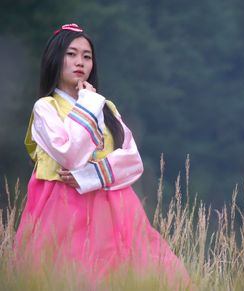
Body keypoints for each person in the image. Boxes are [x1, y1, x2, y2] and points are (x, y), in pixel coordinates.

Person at [15, 23, 190, 289]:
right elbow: (70, 155)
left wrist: (91, 175)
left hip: (115, 206)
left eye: (87, 56)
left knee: (139, 274)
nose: (80, 62)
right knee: (68, 276)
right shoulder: (46, 107)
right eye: (71, 54)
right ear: (55, 58)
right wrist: (87, 103)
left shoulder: (105, 107)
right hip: (61, 208)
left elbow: (132, 161)